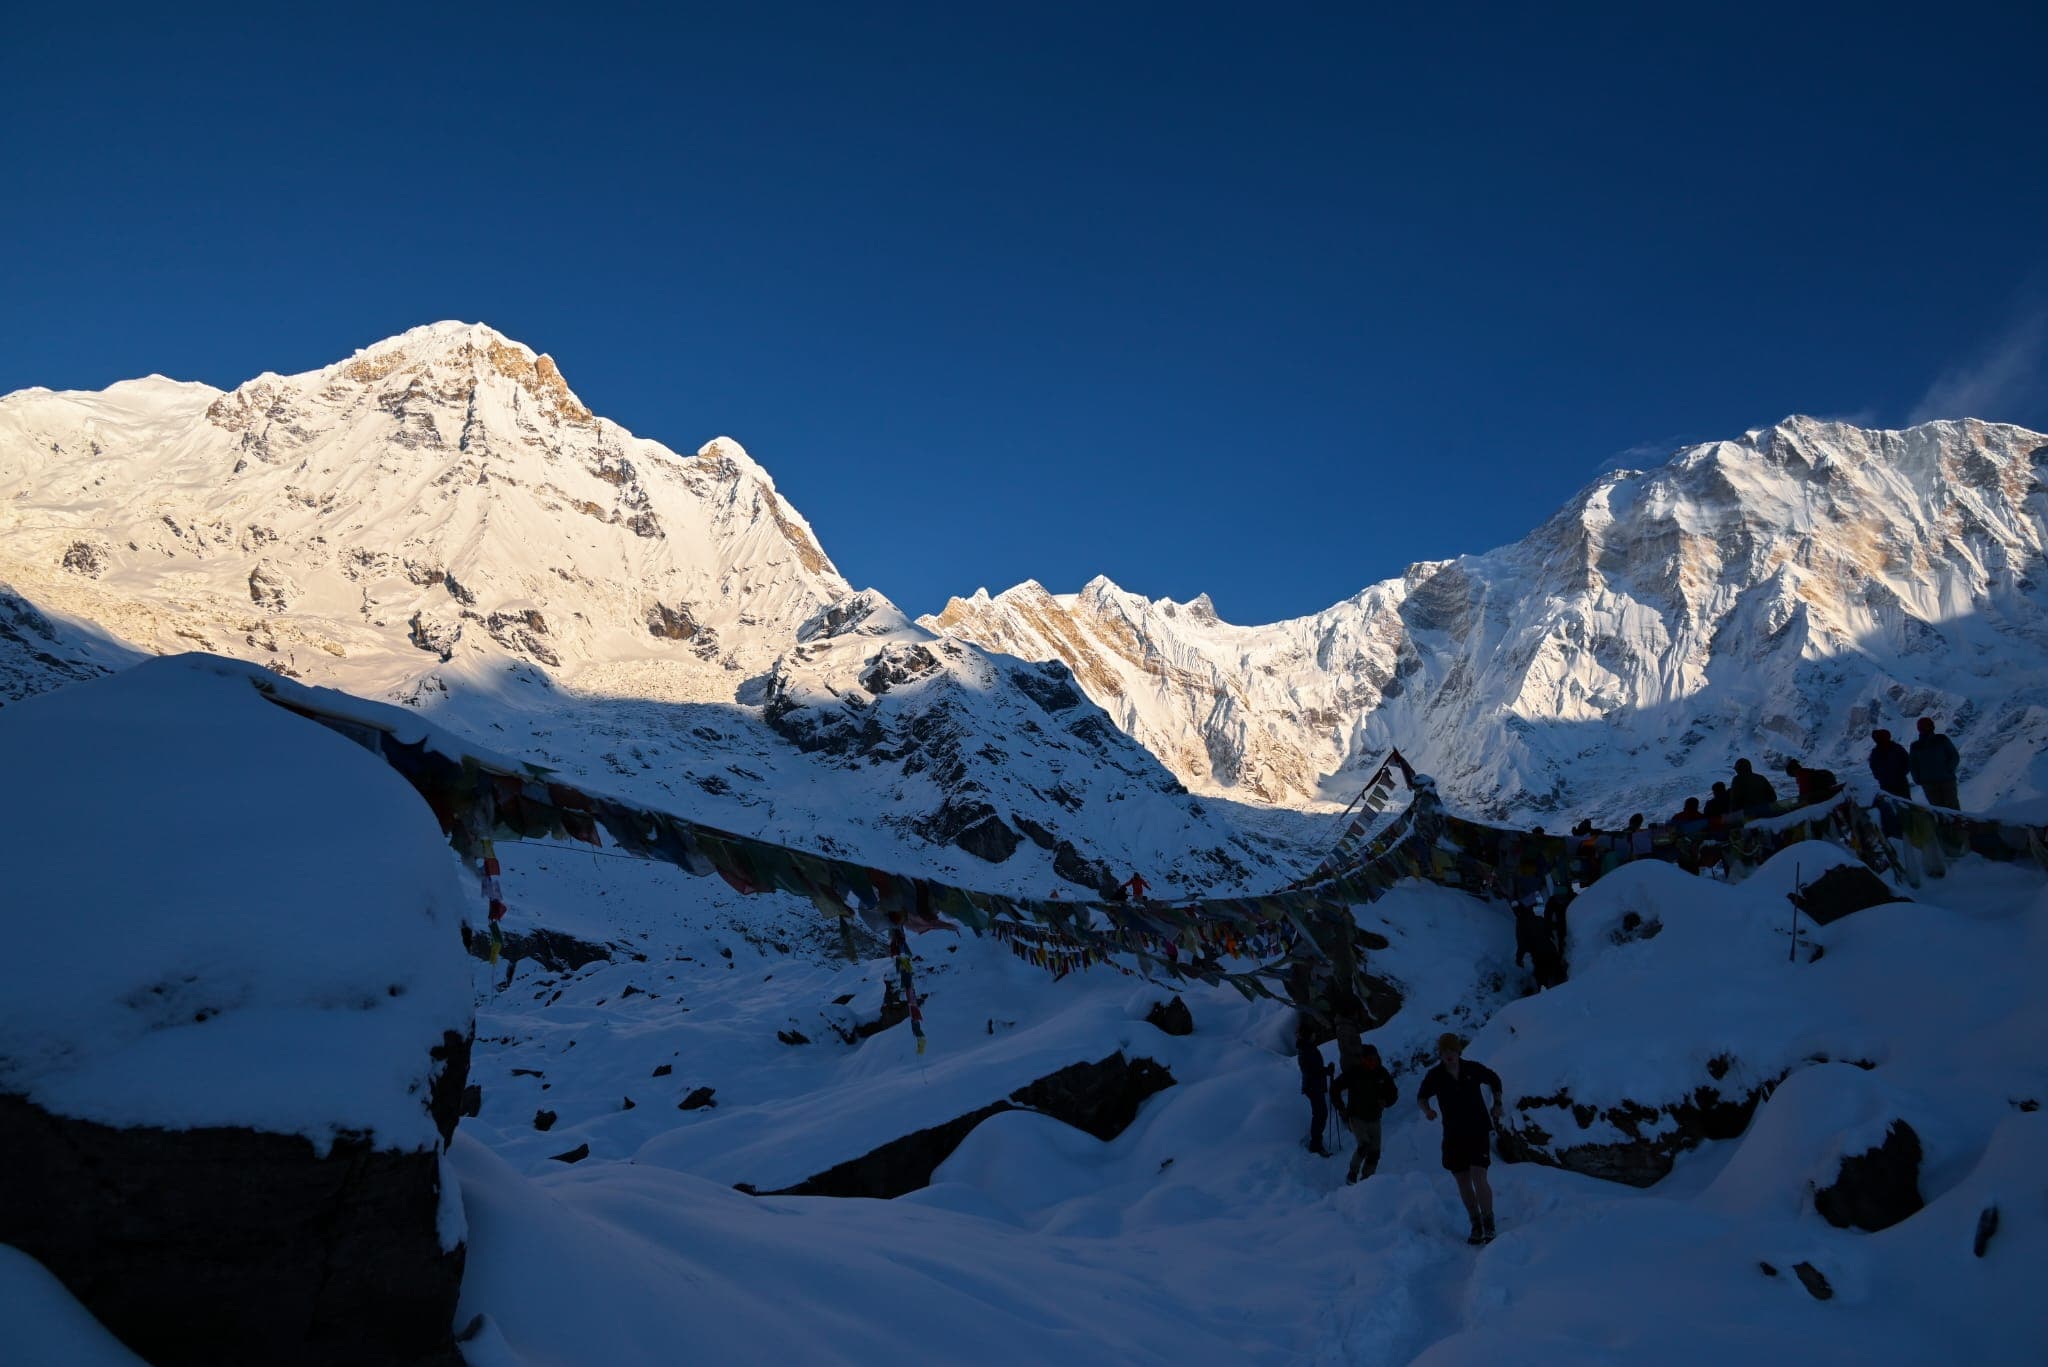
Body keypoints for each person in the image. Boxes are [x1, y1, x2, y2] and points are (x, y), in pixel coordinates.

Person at [1417, 1033, 1505, 1244]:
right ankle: (1476, 1223)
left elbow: (1494, 1080)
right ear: (1440, 1053)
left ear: (1458, 1051)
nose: (1449, 1055)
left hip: (1477, 1129)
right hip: (1453, 1134)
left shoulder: (1472, 1069)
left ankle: (1489, 1222)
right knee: (1463, 1181)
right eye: (1445, 1051)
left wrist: (1498, 1103)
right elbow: (1421, 1097)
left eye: (1452, 1050)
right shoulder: (1435, 1076)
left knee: (1478, 1176)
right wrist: (1427, 1110)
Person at [1330, 1044, 1399, 1183]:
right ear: (1362, 1059)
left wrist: (1386, 1101)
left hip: (1374, 1117)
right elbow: (1335, 1088)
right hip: (1356, 1116)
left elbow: (1393, 1093)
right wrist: (1341, 1107)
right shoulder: (1354, 1073)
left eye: (1374, 1059)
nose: (1371, 1062)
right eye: (1368, 1059)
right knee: (1364, 1145)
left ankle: (1367, 1180)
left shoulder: (1381, 1073)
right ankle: (1352, 1174)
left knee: (1375, 1152)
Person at [1295, 1015, 1332, 1156]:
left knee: (1320, 1114)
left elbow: (1313, 1069)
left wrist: (1325, 1071)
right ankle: (1316, 1144)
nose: (1315, 1035)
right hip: (1313, 1087)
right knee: (1320, 1114)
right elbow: (1312, 1070)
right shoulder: (1307, 1050)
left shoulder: (1307, 1048)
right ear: (1308, 1035)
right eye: (1313, 1033)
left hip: (1314, 1086)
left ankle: (1316, 1143)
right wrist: (1326, 1071)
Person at [1909, 717, 1962, 811]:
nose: (1925, 729)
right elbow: (1913, 764)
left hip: (1942, 781)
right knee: (1943, 809)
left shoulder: (1941, 740)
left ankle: (1955, 825)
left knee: (1948, 809)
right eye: (1923, 727)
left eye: (1926, 726)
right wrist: (1948, 770)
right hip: (1935, 782)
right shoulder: (1917, 746)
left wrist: (1948, 770)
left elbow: (1954, 756)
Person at [1867, 729, 1911, 799]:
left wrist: (1880, 777)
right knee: (1906, 804)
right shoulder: (1897, 748)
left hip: (1886, 784)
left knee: (1893, 805)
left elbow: (1873, 768)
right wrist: (1902, 774)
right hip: (1900, 782)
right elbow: (1907, 762)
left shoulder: (1875, 753)